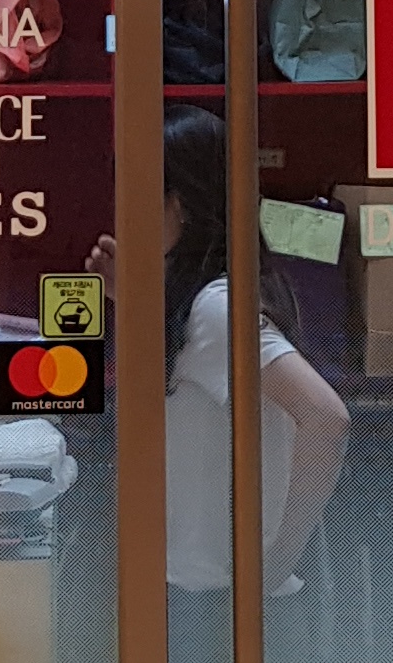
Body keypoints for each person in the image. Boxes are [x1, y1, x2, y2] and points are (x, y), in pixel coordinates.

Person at [99, 107, 348, 600]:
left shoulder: (216, 308)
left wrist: (276, 563)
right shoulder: (206, 298)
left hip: (218, 599)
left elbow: (326, 417)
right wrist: (132, 300)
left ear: (179, 204)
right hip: (201, 586)